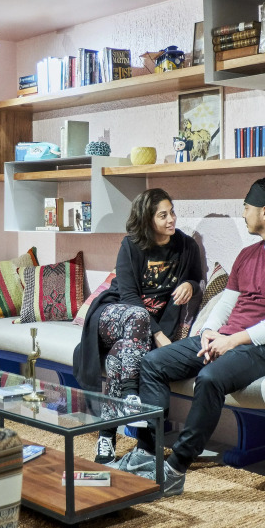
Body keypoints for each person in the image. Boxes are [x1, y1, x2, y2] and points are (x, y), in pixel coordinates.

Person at [110, 175, 265, 496]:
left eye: (246, 208)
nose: (243, 214)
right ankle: (148, 451)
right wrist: (209, 331)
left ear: (264, 212)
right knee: (153, 362)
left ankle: (176, 467)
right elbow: (226, 304)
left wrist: (232, 340)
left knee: (209, 378)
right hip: (226, 339)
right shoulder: (247, 255)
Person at [73, 188, 202, 463]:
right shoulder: (131, 245)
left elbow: (195, 278)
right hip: (113, 316)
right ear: (147, 219)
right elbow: (129, 297)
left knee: (119, 358)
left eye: (172, 212)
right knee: (138, 315)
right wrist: (158, 334)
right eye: (163, 215)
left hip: (136, 336)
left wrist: (190, 285)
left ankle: (106, 437)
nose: (171, 219)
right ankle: (131, 394)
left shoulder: (186, 246)